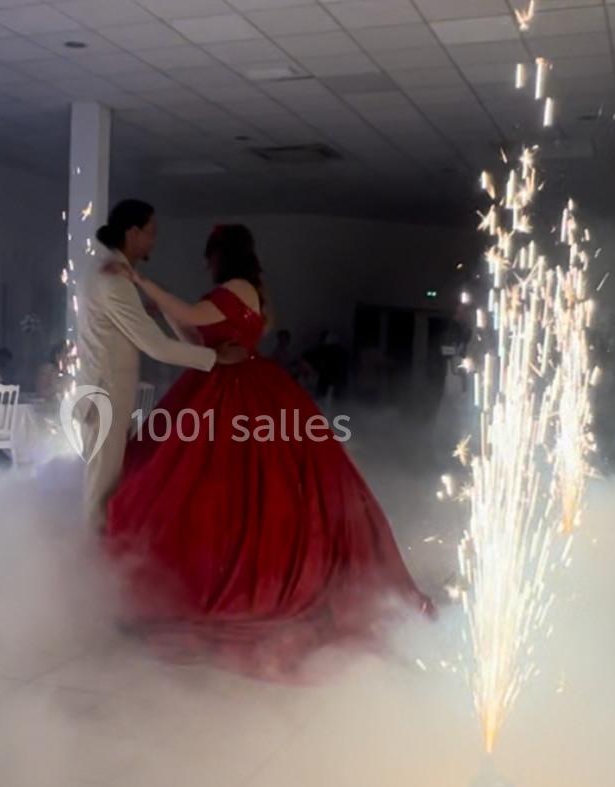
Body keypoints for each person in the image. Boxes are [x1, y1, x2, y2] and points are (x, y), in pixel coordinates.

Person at [103, 224, 434, 677]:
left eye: (210, 255)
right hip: (232, 383)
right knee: (202, 480)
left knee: (221, 483)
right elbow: (192, 330)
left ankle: (229, 575)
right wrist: (158, 306)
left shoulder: (237, 287)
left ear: (222, 254)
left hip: (235, 391)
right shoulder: (241, 290)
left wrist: (141, 281)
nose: (207, 263)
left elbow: (191, 315)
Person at [77, 199, 243, 531]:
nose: (154, 241)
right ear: (132, 232)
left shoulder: (115, 273)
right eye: (151, 233)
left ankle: (100, 562)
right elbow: (155, 346)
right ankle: (87, 568)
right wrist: (214, 357)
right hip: (105, 398)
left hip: (109, 395)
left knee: (111, 485)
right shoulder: (113, 280)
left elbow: (147, 319)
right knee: (101, 491)